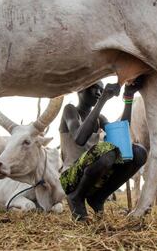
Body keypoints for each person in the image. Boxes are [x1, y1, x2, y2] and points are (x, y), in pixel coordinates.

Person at [59, 78, 147, 220]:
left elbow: (120, 136)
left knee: (138, 152)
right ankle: (76, 197)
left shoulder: (100, 118)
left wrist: (128, 98)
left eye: (102, 90)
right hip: (70, 178)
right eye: (95, 88)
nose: (99, 93)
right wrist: (103, 100)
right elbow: (79, 139)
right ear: (81, 90)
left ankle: (99, 197)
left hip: (92, 174)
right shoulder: (70, 110)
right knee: (106, 151)